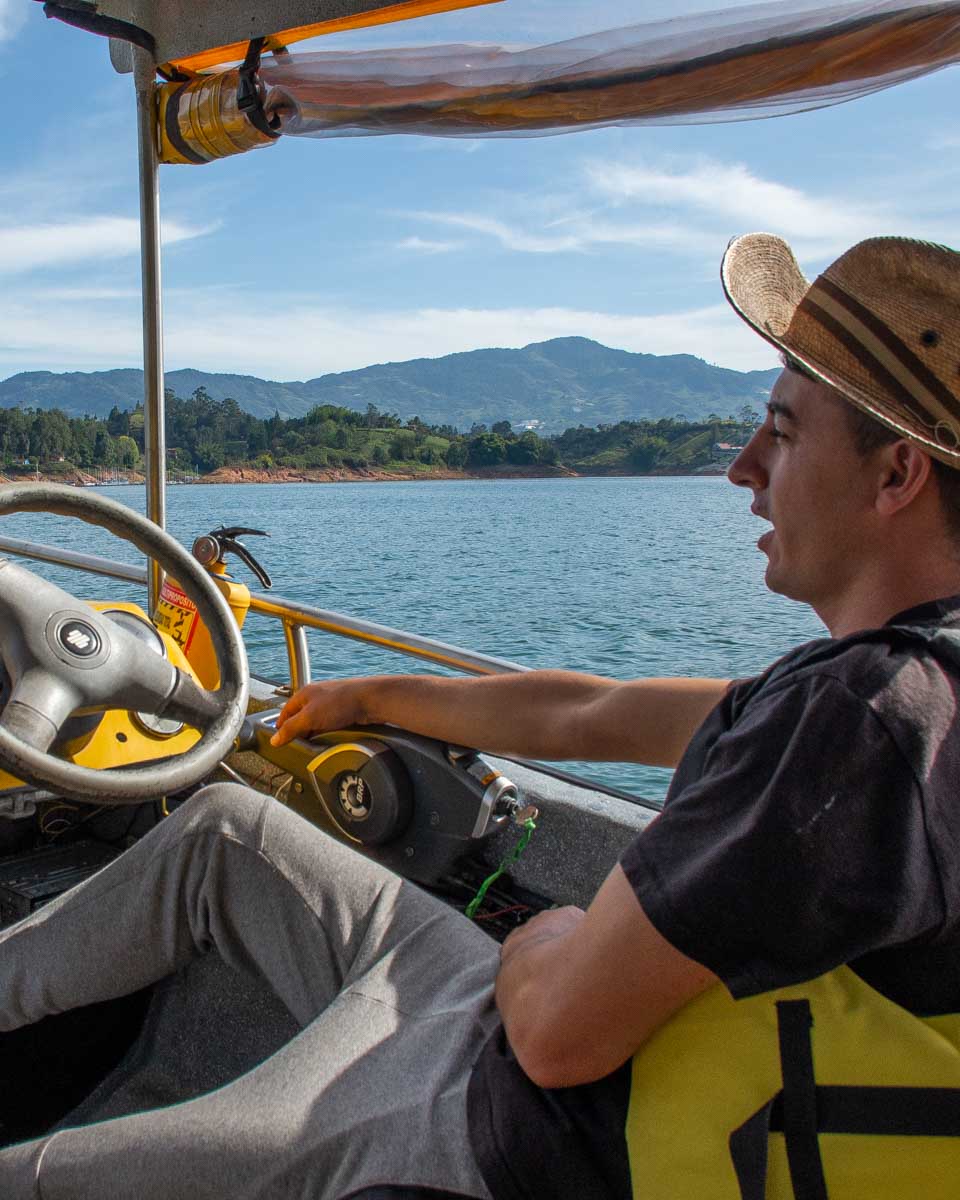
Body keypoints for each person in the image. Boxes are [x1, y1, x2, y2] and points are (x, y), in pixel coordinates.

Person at [1, 232, 960, 1199]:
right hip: (515, 1033)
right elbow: (598, 712)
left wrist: (546, 935)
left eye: (784, 433)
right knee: (224, 835)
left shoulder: (862, 723)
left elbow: (551, 1038)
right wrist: (370, 695)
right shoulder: (900, 689)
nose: (742, 468)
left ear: (896, 476)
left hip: (508, 1129)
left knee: (36, 1177)